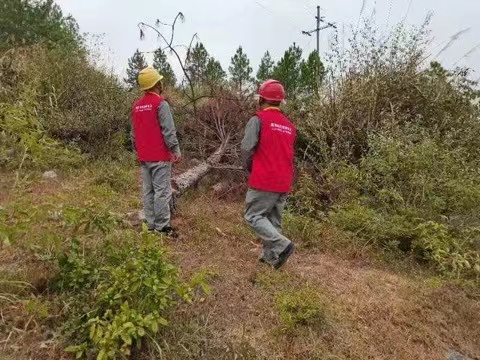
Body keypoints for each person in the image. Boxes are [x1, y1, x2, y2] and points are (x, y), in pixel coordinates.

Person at [241, 79, 297, 269]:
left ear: (261, 99)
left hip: (264, 179)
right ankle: (270, 258)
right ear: (280, 102)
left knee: (253, 216)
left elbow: (246, 146)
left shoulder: (258, 120)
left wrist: (249, 165)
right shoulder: (289, 126)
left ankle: (283, 245)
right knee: (273, 220)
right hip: (284, 180)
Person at [131, 67, 181, 236]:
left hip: (144, 156)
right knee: (162, 191)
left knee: (148, 191)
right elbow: (169, 130)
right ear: (157, 84)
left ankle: (150, 224)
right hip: (159, 156)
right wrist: (175, 149)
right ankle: (162, 227)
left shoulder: (136, 106)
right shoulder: (161, 104)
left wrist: (137, 150)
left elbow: (133, 133)